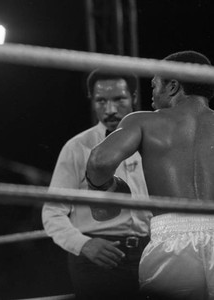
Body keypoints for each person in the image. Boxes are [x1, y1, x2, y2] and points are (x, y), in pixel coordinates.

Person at [86, 50, 214, 300]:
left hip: (173, 239)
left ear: (173, 86)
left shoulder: (143, 121)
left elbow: (100, 161)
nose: (152, 96)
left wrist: (107, 188)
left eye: (154, 85)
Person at [42, 69, 151, 299]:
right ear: (92, 101)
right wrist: (83, 244)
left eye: (118, 99)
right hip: (98, 258)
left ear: (133, 96)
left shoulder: (154, 142)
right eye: (101, 101)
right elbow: (52, 213)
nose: (110, 110)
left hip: (152, 251)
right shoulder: (77, 147)